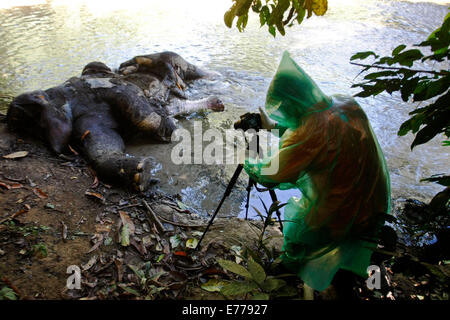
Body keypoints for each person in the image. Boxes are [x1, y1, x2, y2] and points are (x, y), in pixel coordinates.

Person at [244, 51, 391, 295]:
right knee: (356, 247)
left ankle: (298, 271)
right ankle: (364, 278)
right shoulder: (344, 102)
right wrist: (274, 127)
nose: (285, 111)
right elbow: (322, 137)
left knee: (304, 230)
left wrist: (249, 152)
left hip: (339, 213)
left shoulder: (308, 134)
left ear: (292, 102)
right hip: (374, 201)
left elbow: (271, 173)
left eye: (284, 107)